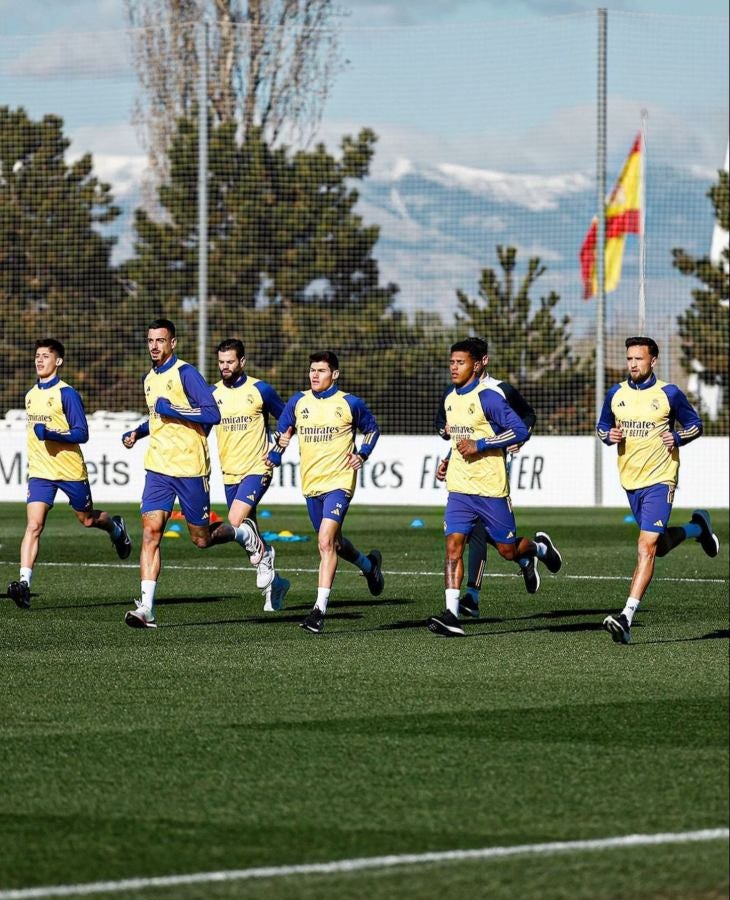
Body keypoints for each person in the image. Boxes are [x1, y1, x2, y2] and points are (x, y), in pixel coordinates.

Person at [121, 319, 271, 628]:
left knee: (200, 539)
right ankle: (146, 607)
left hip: (190, 468)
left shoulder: (186, 374)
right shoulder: (149, 379)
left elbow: (211, 414)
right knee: (151, 533)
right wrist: (137, 432)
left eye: (160, 340)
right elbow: (157, 418)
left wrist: (173, 408)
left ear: (172, 343)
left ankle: (244, 533)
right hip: (158, 467)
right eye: (150, 340)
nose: (153, 346)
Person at [428, 340, 562, 637]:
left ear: (477, 365)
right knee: (453, 547)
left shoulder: (489, 397)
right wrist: (449, 459)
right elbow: (460, 437)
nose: (453, 367)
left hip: (491, 490)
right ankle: (452, 613)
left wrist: (483, 444)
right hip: (460, 489)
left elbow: (521, 428)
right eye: (451, 362)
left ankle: (539, 549)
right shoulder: (450, 399)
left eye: (460, 362)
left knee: (507, 550)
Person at [597, 336, 720, 644]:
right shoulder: (616, 393)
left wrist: (678, 438)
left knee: (646, 546)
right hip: (631, 481)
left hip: (660, 478)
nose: (633, 364)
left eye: (638, 359)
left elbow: (695, 425)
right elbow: (601, 428)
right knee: (659, 545)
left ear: (653, 361)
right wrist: (608, 435)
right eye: (629, 359)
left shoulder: (669, 393)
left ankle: (626, 616)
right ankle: (697, 528)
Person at [6, 338, 132, 610]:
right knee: (34, 525)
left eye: (45, 356)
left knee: (86, 520)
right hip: (40, 472)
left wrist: (50, 433)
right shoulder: (30, 395)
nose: (39, 360)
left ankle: (115, 527)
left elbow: (82, 433)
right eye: (37, 355)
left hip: (69, 469)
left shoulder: (67, 394)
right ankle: (24, 584)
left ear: (58, 361)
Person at [266, 350, 384, 634]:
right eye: (312, 370)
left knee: (324, 543)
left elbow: (372, 430)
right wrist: (276, 453)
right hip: (311, 484)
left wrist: (363, 454)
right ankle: (369, 566)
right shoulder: (297, 402)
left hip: (340, 483)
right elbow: (283, 434)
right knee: (336, 544)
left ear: (335, 374)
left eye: (321, 370)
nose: (315, 375)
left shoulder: (349, 403)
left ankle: (318, 611)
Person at [212, 338, 289, 612]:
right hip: (229, 473)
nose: (225, 367)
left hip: (258, 468)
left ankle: (266, 555)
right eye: (221, 362)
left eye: (230, 361)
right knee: (247, 533)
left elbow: (288, 420)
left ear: (242, 362)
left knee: (234, 522)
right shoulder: (213, 394)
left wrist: (278, 449)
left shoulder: (260, 390)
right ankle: (276, 585)